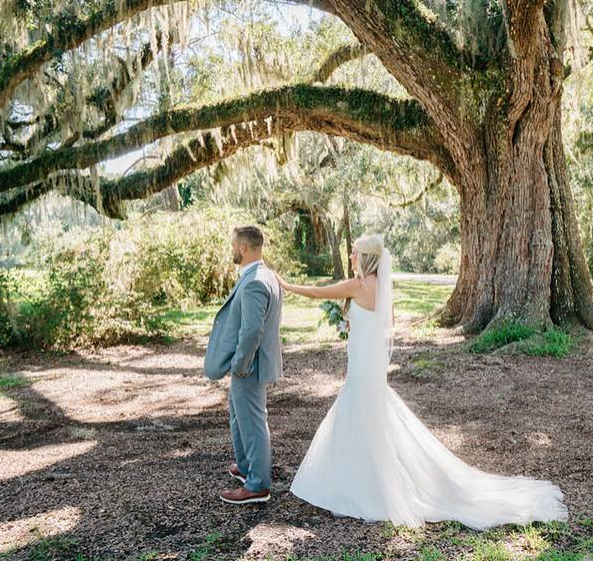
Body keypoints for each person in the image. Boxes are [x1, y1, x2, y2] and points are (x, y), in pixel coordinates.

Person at [277, 234, 568, 529]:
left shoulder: (359, 285)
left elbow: (317, 293)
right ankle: (365, 481)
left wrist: (287, 285)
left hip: (363, 366)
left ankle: (364, 488)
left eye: (353, 253)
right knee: (368, 417)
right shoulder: (380, 288)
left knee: (358, 415)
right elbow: (386, 318)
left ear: (365, 258)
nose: (350, 257)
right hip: (369, 364)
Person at [204, 226, 283, 504]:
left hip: (250, 365)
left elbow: (252, 331)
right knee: (239, 417)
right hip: (250, 364)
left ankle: (258, 484)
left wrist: (239, 364)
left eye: (234, 245)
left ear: (244, 248)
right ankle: (247, 467)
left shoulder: (254, 282)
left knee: (252, 422)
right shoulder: (266, 275)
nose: (232, 249)